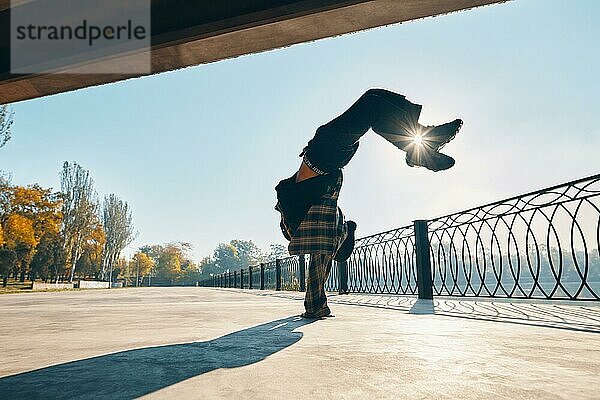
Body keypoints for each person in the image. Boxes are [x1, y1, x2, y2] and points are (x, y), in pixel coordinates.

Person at [275, 88, 462, 318]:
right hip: (325, 156)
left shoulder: (311, 225)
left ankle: (420, 141)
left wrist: (315, 306)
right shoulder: (322, 220)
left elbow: (317, 257)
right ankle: (419, 142)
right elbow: (320, 259)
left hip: (321, 155)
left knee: (374, 102)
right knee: (373, 103)